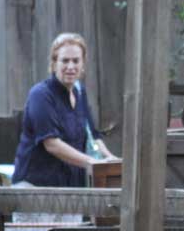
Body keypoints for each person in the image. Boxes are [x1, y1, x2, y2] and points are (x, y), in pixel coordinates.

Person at [12, 32, 117, 187]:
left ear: (83, 64)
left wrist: (111, 160)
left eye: (76, 61)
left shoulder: (79, 92)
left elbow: (93, 137)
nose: (70, 66)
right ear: (54, 64)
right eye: (65, 61)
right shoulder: (40, 94)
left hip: (70, 189)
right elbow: (51, 144)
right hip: (35, 190)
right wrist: (93, 163)